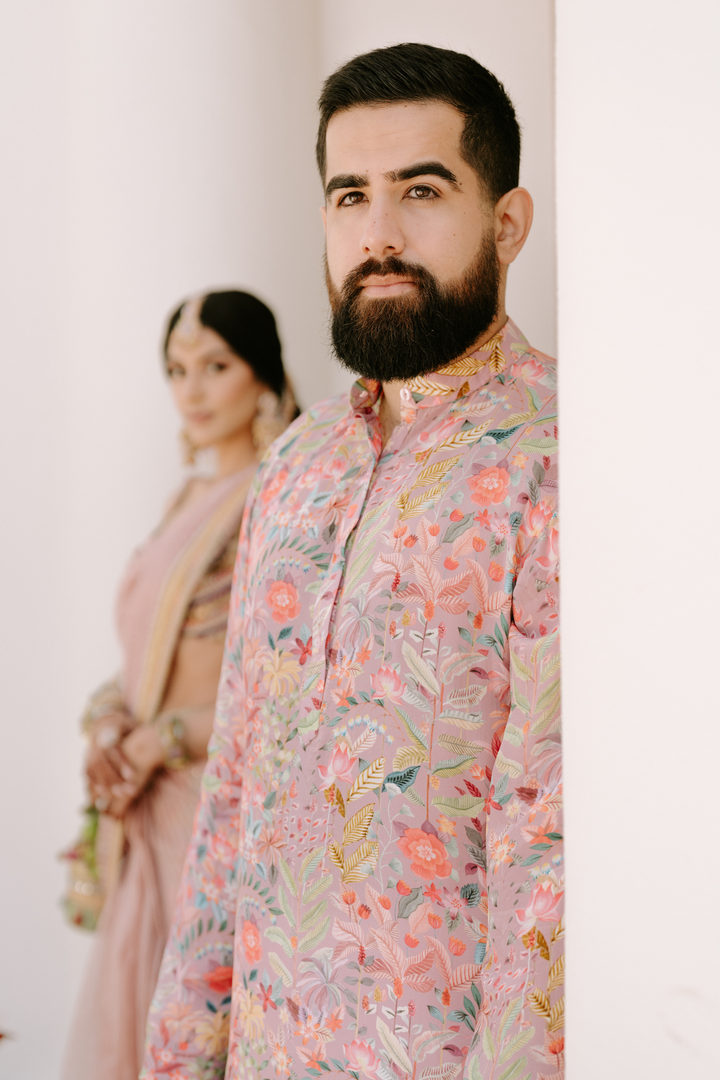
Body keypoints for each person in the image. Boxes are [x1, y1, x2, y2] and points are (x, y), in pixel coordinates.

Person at [142, 43, 562, 1080]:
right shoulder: (296, 462)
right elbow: (233, 795)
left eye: (421, 190)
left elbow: (550, 848)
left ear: (507, 221)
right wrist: (181, 1054)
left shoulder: (564, 457)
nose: (378, 235)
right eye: (348, 196)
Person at [60, 290, 296, 1080]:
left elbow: (281, 675)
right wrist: (105, 728)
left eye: (215, 367)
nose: (191, 390)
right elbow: (136, 667)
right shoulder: (186, 500)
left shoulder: (279, 497)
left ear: (262, 376)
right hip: (146, 806)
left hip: (208, 804)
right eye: (175, 370)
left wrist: (160, 740)